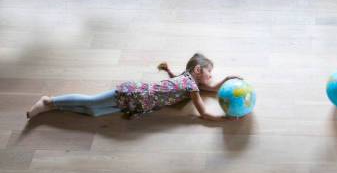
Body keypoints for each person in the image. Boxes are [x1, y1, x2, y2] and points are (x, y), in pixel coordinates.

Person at [27, 53, 242, 121]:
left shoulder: (187, 80)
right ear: (197, 71)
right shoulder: (191, 87)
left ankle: (53, 107)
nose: (212, 76)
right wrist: (225, 118)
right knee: (92, 102)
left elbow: (211, 88)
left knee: (94, 112)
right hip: (135, 94)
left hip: (137, 103)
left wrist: (227, 80)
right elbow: (203, 112)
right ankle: (49, 101)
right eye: (209, 71)